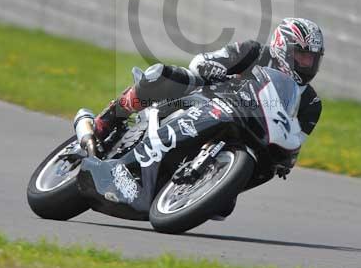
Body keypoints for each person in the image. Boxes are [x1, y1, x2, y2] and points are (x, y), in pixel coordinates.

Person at [88, 18, 325, 178]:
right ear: (282, 46)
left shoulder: (311, 104)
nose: (307, 63)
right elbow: (202, 61)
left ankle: (206, 183)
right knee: (164, 76)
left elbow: (295, 138)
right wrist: (212, 69)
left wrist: (287, 159)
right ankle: (107, 119)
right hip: (208, 100)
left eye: (312, 59)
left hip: (253, 132)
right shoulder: (254, 52)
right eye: (302, 55)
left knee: (266, 171)